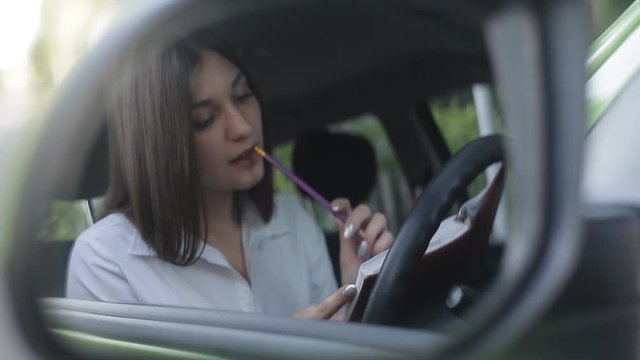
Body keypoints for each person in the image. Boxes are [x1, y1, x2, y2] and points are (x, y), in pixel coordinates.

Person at [66, 39, 394, 320]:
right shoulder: (105, 259)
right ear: (161, 145)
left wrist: (359, 291)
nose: (242, 128)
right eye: (205, 119)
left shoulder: (291, 219)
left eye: (242, 96)